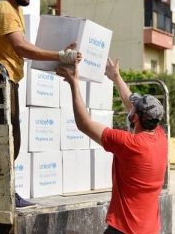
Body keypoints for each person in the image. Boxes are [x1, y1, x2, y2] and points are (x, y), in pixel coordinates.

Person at [0, 0, 82, 209]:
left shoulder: (14, 11)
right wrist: (59, 56)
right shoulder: (4, 11)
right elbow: (21, 48)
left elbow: (22, 49)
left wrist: (58, 53)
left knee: (10, 139)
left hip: (5, 82)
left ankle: (3, 193)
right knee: (6, 140)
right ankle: (3, 196)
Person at [55, 57, 168, 234]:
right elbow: (133, 104)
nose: (131, 108)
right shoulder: (161, 137)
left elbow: (84, 124)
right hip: (151, 229)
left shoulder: (129, 144)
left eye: (134, 110)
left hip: (125, 229)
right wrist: (116, 77)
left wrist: (73, 83)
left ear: (136, 118)